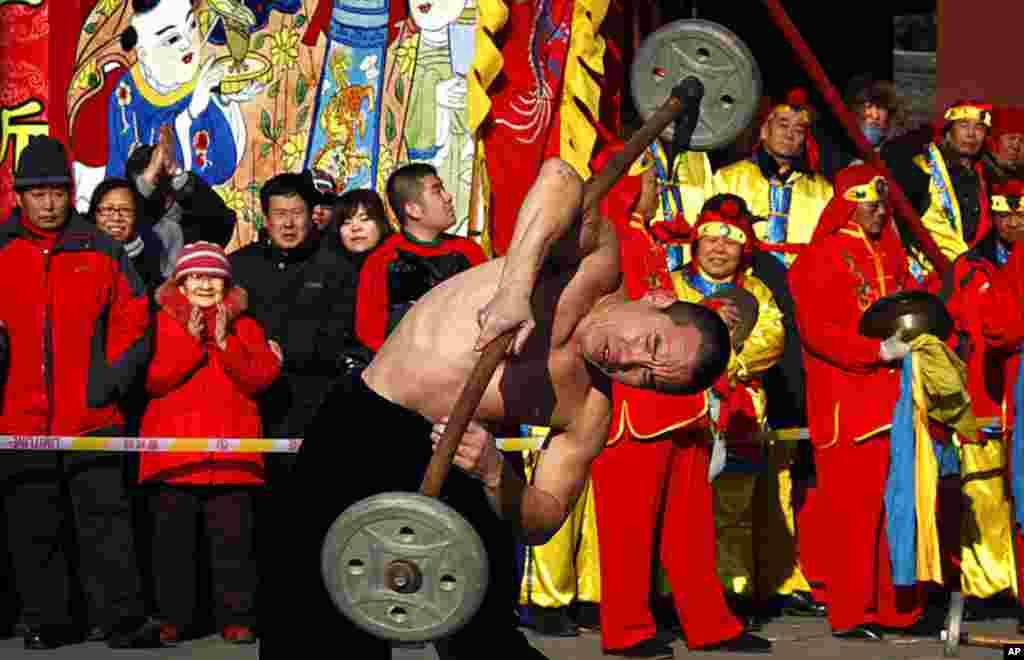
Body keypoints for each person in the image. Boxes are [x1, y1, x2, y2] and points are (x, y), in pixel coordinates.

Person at [258, 157, 736, 660]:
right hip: (368, 420)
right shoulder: (593, 262)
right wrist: (513, 290)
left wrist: (493, 473)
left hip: (466, 453)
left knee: (483, 632)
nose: (633, 361)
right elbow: (557, 175)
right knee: (312, 612)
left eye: (648, 377)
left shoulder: (589, 409)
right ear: (657, 298)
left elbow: (543, 518)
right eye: (653, 345)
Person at [592, 188, 778, 657]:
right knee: (628, 529)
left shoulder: (645, 239)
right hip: (637, 404)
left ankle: (708, 621)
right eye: (652, 179)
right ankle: (625, 627)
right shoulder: (609, 236)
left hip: (678, 403)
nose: (659, 189)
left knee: (691, 526)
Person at [0, 136, 158, 649]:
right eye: (37, 192)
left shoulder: (102, 248)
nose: (48, 203)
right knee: (34, 529)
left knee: (107, 528)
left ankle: (123, 621)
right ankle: (50, 621)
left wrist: (107, 384)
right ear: (18, 195)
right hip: (18, 421)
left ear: (72, 193)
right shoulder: (2, 250)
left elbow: (136, 323)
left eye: (58, 192)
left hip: (92, 417)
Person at [788, 164, 929, 640]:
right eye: (869, 200)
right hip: (846, 406)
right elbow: (818, 332)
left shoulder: (892, 254)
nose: (878, 210)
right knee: (853, 513)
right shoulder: (819, 257)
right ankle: (851, 611)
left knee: (896, 508)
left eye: (882, 203)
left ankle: (896, 606)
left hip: (896, 404)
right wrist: (876, 351)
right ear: (849, 201)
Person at [138, 243, 281, 645]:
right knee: (172, 546)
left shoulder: (245, 325)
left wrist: (225, 344)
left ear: (226, 282)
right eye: (195, 277)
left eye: (213, 276)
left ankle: (237, 617)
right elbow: (153, 380)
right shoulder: (161, 323)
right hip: (175, 457)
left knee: (234, 544)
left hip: (233, 458)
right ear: (180, 283)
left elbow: (261, 378)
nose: (204, 284)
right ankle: (173, 617)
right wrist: (191, 342)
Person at [942, 180, 1024, 620]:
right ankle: (988, 587)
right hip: (981, 391)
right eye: (1006, 215)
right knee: (983, 490)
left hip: (1019, 388)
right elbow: (950, 328)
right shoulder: (968, 267)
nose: (1014, 223)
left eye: (1021, 215)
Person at [355, 162, 486, 352]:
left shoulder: (469, 250)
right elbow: (371, 334)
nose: (448, 197)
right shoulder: (382, 260)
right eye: (437, 191)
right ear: (413, 209)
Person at [889, 99, 992, 281]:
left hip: (976, 276)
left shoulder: (987, 177)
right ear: (949, 130)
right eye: (963, 125)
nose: (971, 134)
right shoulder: (921, 168)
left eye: (979, 128)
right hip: (930, 277)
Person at [125, 137, 237, 279]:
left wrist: (177, 174)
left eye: (156, 177)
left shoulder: (194, 216)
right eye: (145, 182)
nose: (150, 185)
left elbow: (223, 223)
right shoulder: (133, 228)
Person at [88, 177, 164, 289]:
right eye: (108, 209)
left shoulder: (152, 259)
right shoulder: (78, 257)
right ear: (95, 214)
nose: (116, 217)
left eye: (125, 210)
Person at [982, 107, 1024, 184]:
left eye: (1022, 141)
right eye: (1011, 138)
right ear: (994, 142)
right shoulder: (981, 173)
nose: (1016, 146)